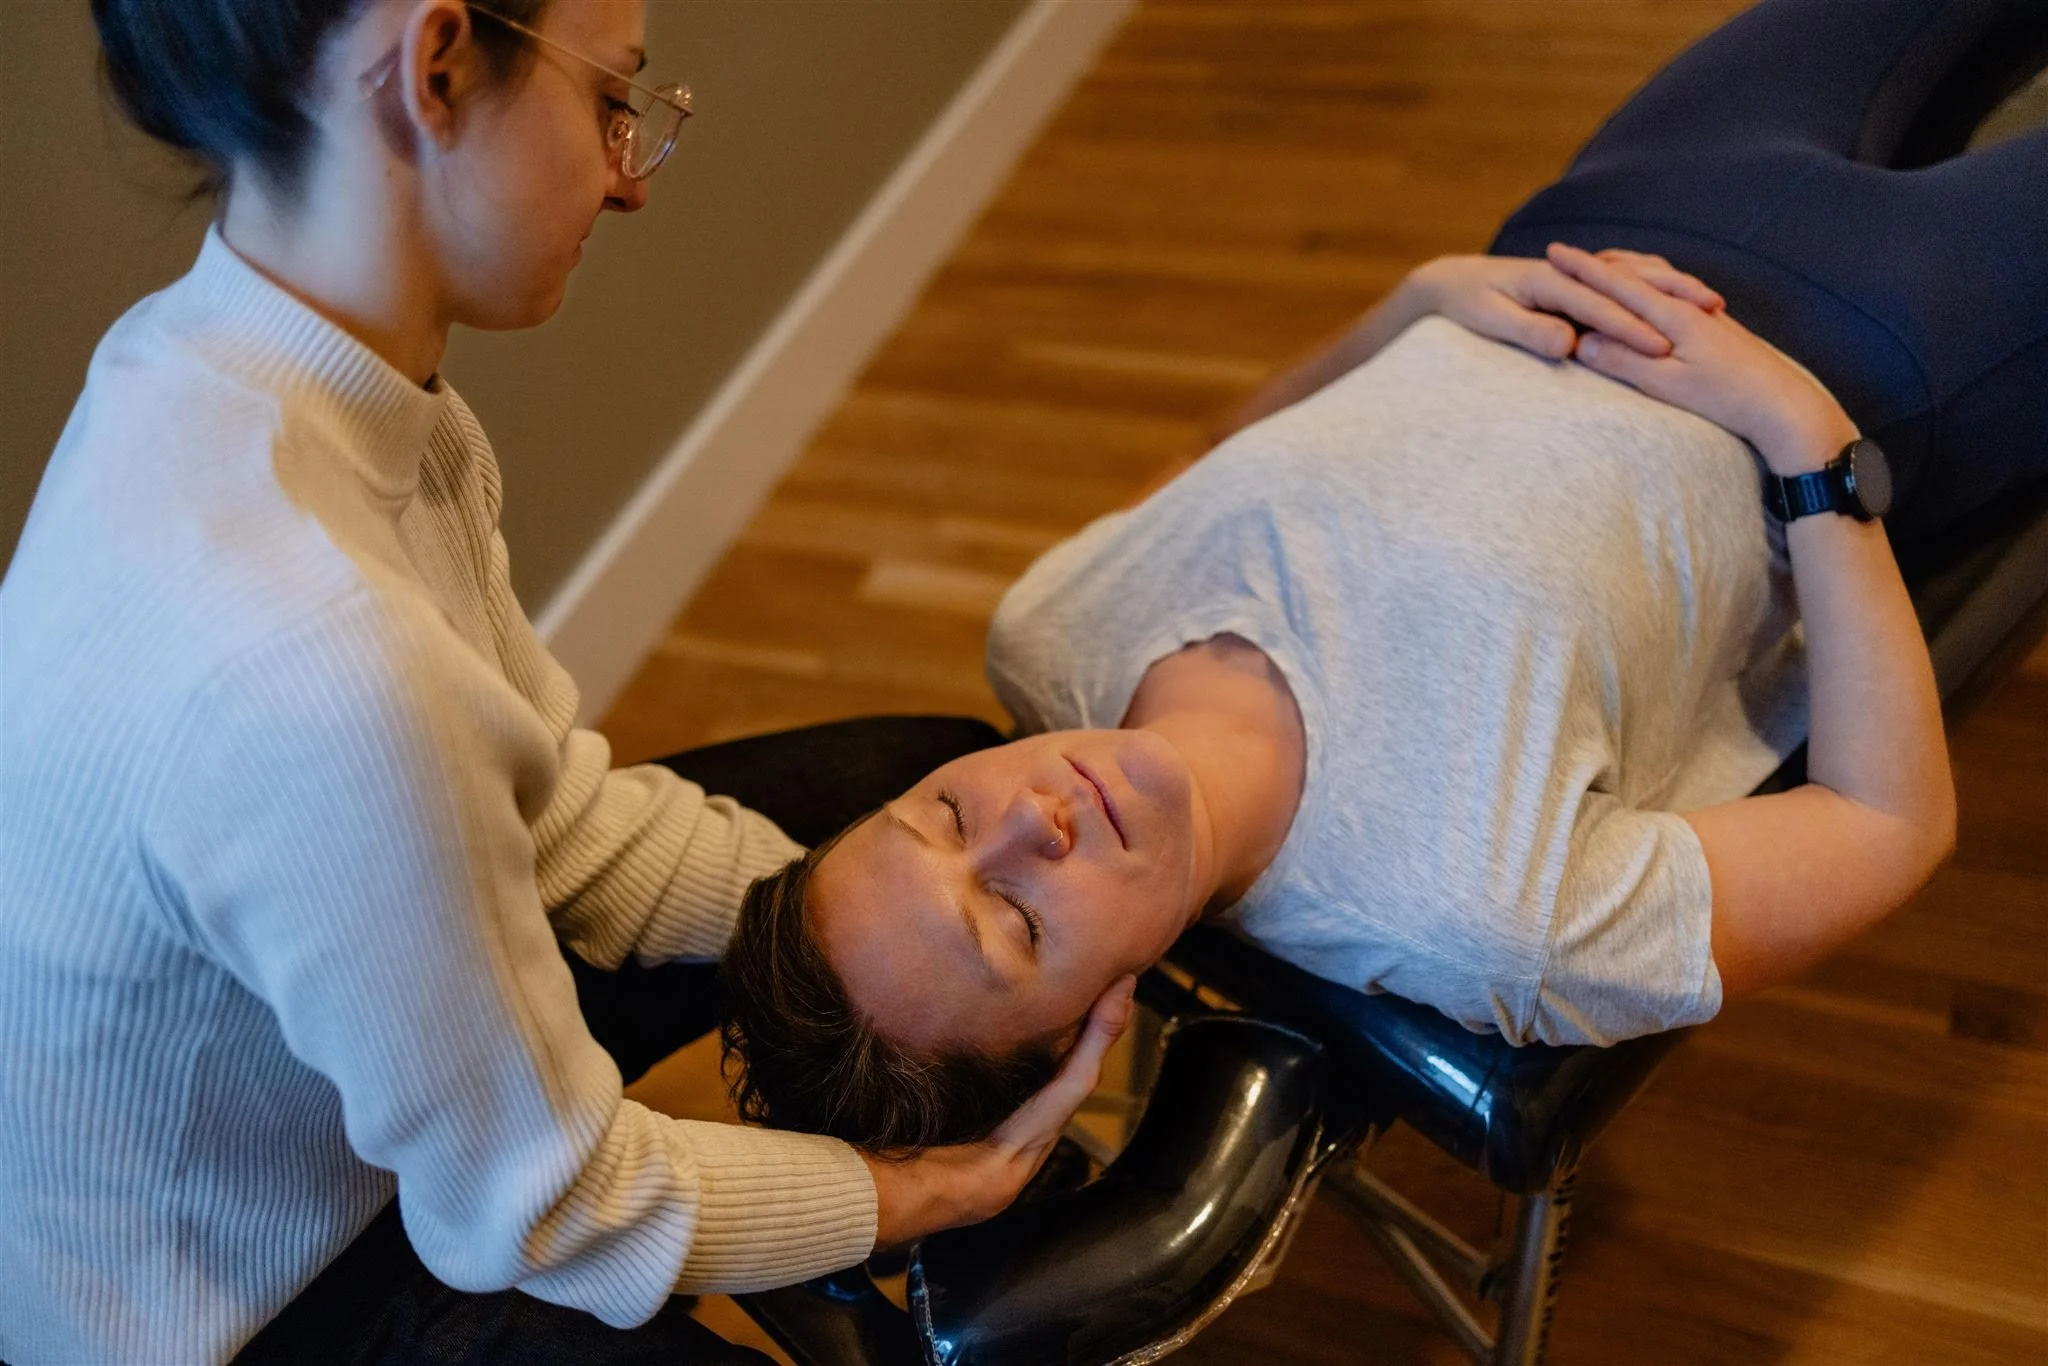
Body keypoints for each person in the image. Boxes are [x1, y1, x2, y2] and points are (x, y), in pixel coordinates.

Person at [0, 2, 1132, 1363]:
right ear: (432, 65)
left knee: (907, 781)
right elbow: (546, 1206)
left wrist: (885, 923)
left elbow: (559, 827)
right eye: (613, 99)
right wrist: (920, 1191)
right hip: (256, 1302)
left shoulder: (279, 383)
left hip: (369, 1118)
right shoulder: (310, 660)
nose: (628, 175)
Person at [717, 0, 2048, 1154]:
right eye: (1012, 919)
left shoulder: (1047, 634)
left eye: (944, 816)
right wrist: (1806, 441)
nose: (1027, 823)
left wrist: (1406, 309)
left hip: (1622, 201)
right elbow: (1888, 825)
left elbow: (1213, 454)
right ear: (1087, 1031)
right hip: (1888, 350)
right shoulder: (1479, 921)